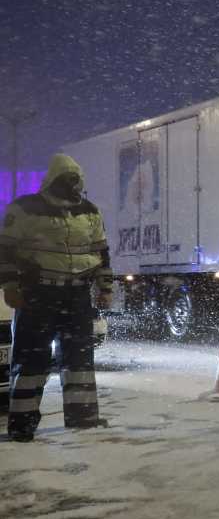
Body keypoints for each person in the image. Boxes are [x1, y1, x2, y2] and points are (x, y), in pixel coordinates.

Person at [1, 153, 113, 442]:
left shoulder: (89, 211)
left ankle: (83, 416)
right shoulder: (25, 209)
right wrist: (10, 286)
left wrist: (105, 288)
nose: (73, 187)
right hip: (38, 293)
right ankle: (22, 425)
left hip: (77, 294)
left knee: (79, 360)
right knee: (32, 360)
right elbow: (7, 251)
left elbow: (101, 253)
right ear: (53, 180)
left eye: (76, 182)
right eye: (67, 181)